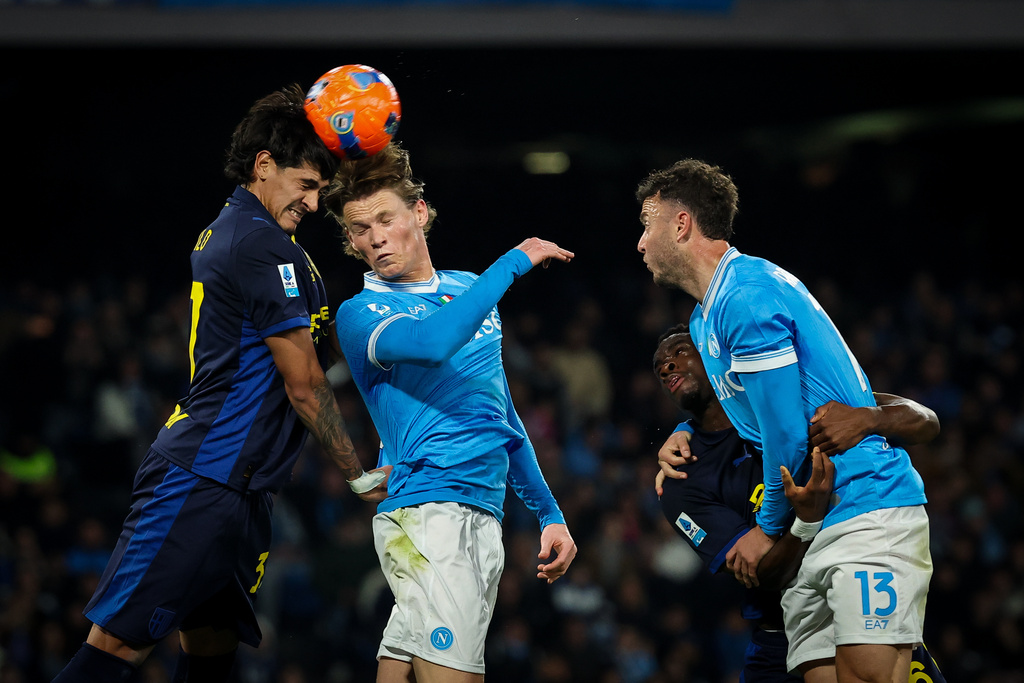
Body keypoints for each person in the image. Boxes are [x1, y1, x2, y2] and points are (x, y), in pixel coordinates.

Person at [52, 84, 390, 683]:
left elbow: (319, 347)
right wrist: (359, 475)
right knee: (116, 647)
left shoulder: (264, 239)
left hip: (241, 488)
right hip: (201, 477)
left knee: (210, 646)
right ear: (265, 165)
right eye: (307, 185)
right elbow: (305, 383)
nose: (314, 203)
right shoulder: (258, 244)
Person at [635, 159, 932, 682]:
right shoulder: (707, 316)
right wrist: (682, 434)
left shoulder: (746, 297)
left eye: (646, 223)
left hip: (862, 510)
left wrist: (773, 530)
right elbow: (749, 413)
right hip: (813, 530)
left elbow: (787, 438)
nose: (640, 243)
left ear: (680, 225)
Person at [322, 141, 578, 683]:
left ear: (419, 213)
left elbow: (502, 421)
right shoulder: (363, 312)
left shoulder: (468, 293)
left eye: (385, 219)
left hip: (475, 510)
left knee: (402, 670)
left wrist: (550, 514)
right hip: (433, 513)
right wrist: (514, 261)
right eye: (358, 229)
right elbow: (435, 341)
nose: (374, 238)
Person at [651, 324, 946, 683]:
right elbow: (762, 575)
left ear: (713, 354)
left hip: (862, 600)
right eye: (659, 365)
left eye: (680, 351)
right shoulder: (683, 478)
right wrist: (805, 522)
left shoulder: (792, 400)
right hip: (786, 638)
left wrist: (870, 418)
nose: (667, 366)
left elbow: (927, 422)